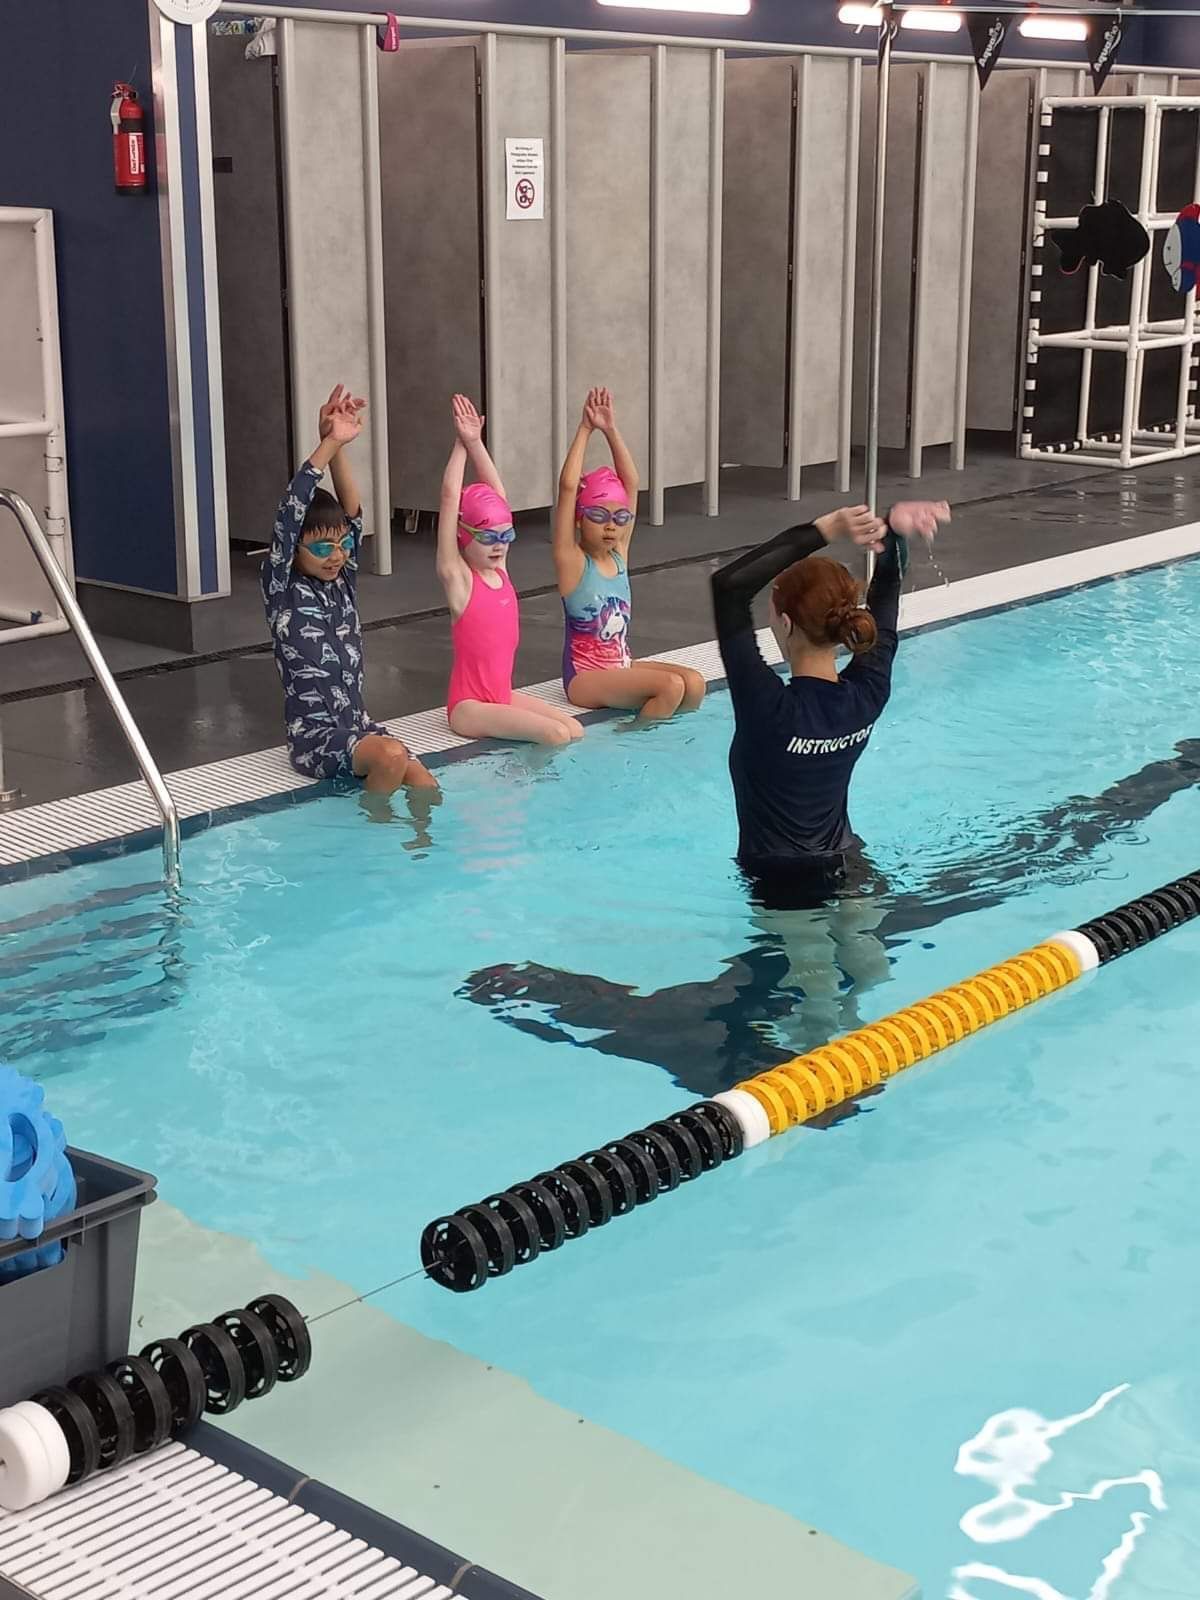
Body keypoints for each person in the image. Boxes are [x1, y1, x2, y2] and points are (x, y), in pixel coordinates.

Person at [710, 500, 950, 906]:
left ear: (785, 624)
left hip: (780, 880)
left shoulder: (767, 707)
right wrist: (892, 532)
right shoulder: (867, 693)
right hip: (851, 863)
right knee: (871, 965)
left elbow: (729, 588)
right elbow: (888, 595)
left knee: (810, 968)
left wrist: (825, 529)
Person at [262, 384, 438, 799]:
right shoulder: (282, 586)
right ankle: (371, 838)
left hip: (359, 725)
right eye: (322, 548)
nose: (336, 556)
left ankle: (423, 850)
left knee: (425, 784)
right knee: (392, 758)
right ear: (294, 550)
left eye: (342, 546)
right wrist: (326, 444)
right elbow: (291, 510)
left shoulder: (342, 581)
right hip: (315, 738)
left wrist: (339, 445)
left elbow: (352, 512)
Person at [438, 394, 584, 746]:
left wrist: (477, 443)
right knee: (554, 736)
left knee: (574, 730)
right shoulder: (459, 579)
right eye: (489, 537)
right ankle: (521, 786)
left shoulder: (499, 570)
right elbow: (448, 498)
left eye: (506, 535)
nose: (500, 545)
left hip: (500, 695)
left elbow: (498, 495)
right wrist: (461, 445)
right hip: (468, 706)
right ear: (464, 534)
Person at [553, 387, 706, 720]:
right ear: (580, 518)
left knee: (694, 683)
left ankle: (666, 733)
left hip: (620, 664)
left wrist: (610, 429)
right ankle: (639, 737)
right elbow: (566, 487)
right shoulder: (573, 561)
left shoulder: (619, 553)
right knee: (670, 687)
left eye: (619, 518)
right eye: (598, 516)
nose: (611, 527)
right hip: (584, 677)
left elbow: (632, 482)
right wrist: (585, 429)